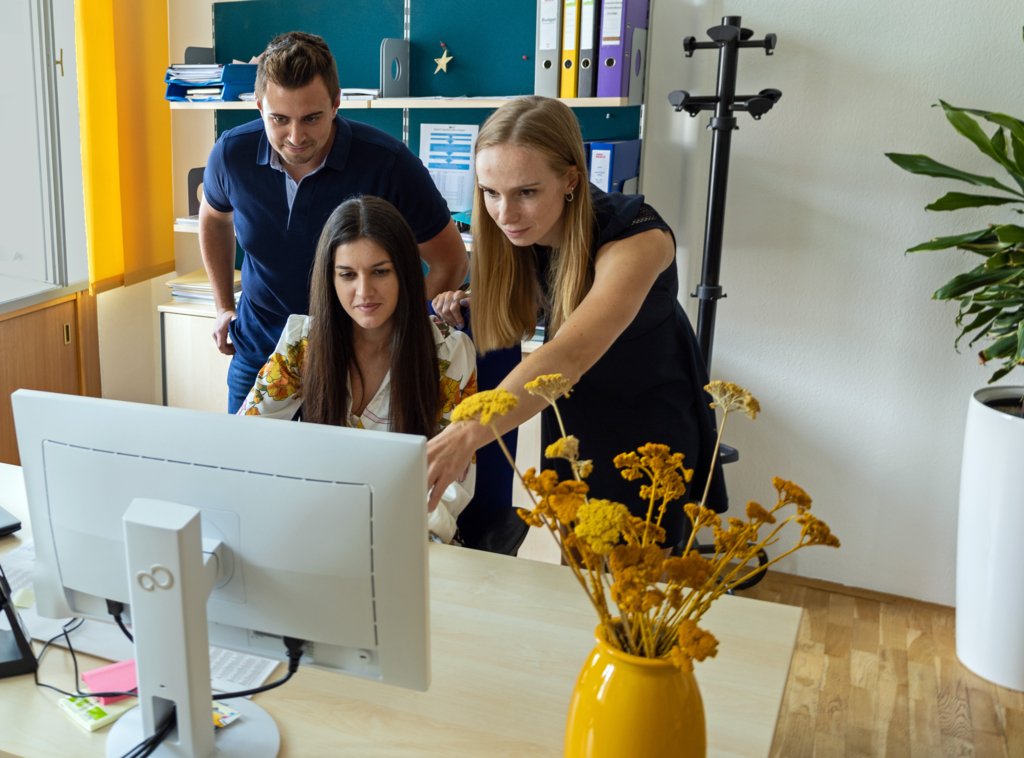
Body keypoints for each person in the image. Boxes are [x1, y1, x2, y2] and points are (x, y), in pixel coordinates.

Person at [428, 96, 727, 549]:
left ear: (570, 179)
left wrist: (464, 435)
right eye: (491, 193)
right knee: (580, 579)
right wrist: (472, 301)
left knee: (636, 585)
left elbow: (570, 352)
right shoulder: (527, 232)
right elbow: (536, 304)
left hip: (648, 432)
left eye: (526, 192)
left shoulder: (637, 237)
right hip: (575, 420)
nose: (505, 214)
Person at [200, 31, 468, 413]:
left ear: (336, 103)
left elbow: (450, 261)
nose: (295, 137)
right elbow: (213, 219)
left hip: (352, 364)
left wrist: (391, 335)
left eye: (311, 118)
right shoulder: (231, 154)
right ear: (259, 107)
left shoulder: (389, 163)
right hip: (258, 351)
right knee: (247, 452)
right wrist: (223, 306)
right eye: (279, 119)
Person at [238, 196, 477, 544]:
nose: (364, 291)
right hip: (316, 531)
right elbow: (246, 439)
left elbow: (451, 485)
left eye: (380, 271)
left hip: (408, 538)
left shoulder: (447, 352)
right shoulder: (301, 343)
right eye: (348, 275)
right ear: (330, 279)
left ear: (405, 273)